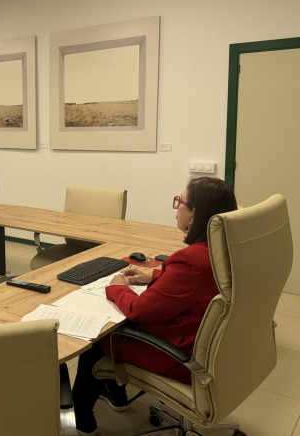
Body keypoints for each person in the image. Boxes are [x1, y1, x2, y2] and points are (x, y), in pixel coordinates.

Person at [72, 177, 238, 435]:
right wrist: (156, 275)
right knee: (117, 329)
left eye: (180, 202)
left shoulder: (190, 261)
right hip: (216, 349)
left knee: (98, 340)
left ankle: (82, 419)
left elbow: (139, 310)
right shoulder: (226, 249)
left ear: (195, 214)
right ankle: (116, 395)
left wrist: (118, 287)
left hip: (180, 355)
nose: (176, 208)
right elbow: (198, 283)